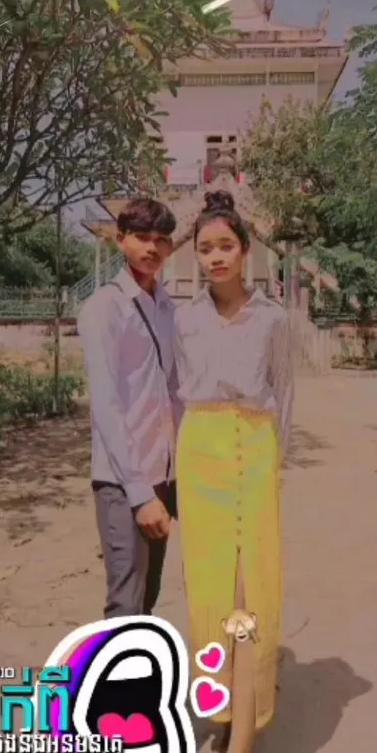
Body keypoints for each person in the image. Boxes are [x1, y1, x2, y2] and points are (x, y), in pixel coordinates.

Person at [174, 191, 293, 753]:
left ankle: (246, 730)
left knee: (254, 587)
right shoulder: (184, 318)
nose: (215, 257)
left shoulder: (273, 318)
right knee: (210, 590)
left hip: (257, 446)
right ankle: (221, 712)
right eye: (205, 249)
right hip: (202, 453)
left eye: (226, 246)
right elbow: (176, 399)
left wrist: (276, 465)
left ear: (245, 251)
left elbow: (285, 396)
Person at [78, 198, 182, 619]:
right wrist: (139, 494)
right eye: (142, 237)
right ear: (121, 240)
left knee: (148, 595)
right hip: (123, 481)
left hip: (163, 473)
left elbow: (174, 391)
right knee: (125, 600)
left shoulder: (169, 307)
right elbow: (105, 402)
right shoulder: (106, 306)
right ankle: (112, 685)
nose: (151, 248)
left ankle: (140, 680)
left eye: (161, 240)